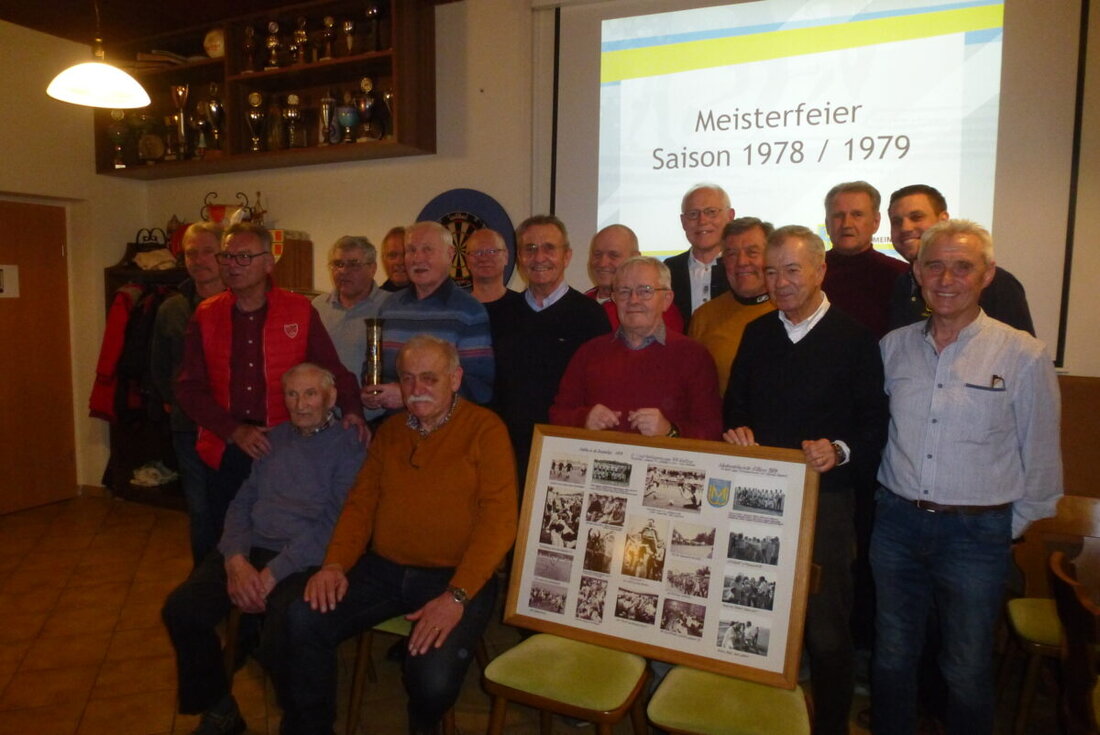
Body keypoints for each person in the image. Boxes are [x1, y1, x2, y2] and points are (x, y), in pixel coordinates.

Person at [871, 220, 1062, 735]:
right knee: (891, 658)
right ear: (917, 273)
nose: (946, 278)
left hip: (977, 536)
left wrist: (1000, 527)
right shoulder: (892, 348)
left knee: (967, 668)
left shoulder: (1023, 354)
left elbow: (1043, 463)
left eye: (962, 267)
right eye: (934, 266)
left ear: (987, 275)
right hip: (896, 527)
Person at [279, 335, 518, 735]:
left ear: (455, 379)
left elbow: (500, 522)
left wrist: (456, 596)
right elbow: (360, 506)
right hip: (384, 570)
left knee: (432, 682)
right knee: (302, 618)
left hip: (456, 577)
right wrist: (334, 564)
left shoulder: (485, 429)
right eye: (407, 378)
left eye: (429, 378)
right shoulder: (390, 432)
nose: (416, 388)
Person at [723, 225, 888, 735]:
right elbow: (735, 406)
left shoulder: (856, 338)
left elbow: (875, 425)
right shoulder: (758, 333)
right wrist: (738, 430)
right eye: (771, 271)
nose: (780, 282)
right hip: (758, 497)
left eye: (792, 270)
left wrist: (838, 451)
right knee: (754, 614)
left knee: (826, 626)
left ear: (820, 270)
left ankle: (831, 725)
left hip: (826, 503)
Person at [162, 363, 365, 735]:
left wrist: (273, 573)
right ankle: (220, 708)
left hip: (304, 557)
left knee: (287, 631)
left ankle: (308, 725)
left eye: (310, 394)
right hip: (250, 547)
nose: (300, 404)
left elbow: (334, 524)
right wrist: (235, 559)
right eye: (292, 394)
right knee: (182, 609)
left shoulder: (348, 446)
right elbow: (242, 503)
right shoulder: (275, 439)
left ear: (331, 396)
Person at [176, 222, 365, 546]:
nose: (232, 265)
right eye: (227, 256)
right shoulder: (205, 315)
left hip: (284, 448)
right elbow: (188, 388)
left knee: (276, 537)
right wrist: (234, 430)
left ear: (268, 263)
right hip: (225, 447)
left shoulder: (299, 310)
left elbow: (332, 370)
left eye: (244, 257)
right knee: (220, 538)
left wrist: (352, 409)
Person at [492, 215, 610, 484]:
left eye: (549, 248)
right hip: (510, 453)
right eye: (530, 248)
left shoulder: (591, 316)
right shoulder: (501, 314)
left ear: (567, 256)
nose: (539, 257)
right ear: (519, 257)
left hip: (570, 453)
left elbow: (600, 390)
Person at [550, 256, 721, 440]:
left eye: (645, 291)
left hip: (662, 458)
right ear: (614, 299)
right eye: (624, 291)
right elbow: (557, 415)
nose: (633, 300)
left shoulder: (694, 357)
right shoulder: (589, 353)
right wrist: (583, 419)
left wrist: (670, 431)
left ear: (667, 299)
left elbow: (711, 430)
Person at [151, 222, 226, 567]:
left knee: (238, 506)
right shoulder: (172, 308)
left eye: (208, 251)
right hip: (189, 427)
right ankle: (204, 582)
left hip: (235, 426)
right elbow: (160, 366)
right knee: (200, 509)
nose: (199, 260)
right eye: (191, 253)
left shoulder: (244, 303)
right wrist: (180, 404)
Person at [362, 221, 494, 414]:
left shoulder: (469, 311)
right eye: (411, 250)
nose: (417, 258)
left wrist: (407, 395)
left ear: (450, 254)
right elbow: (373, 366)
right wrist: (371, 390)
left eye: (427, 249)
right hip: (391, 426)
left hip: (444, 427)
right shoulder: (390, 306)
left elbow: (478, 387)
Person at [886, 184, 1035, 334]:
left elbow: (1017, 345)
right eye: (896, 222)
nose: (905, 228)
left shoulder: (998, 284)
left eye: (916, 217)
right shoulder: (901, 284)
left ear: (943, 219)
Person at [688, 217, 776, 395]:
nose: (741, 262)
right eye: (732, 254)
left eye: (752, 252)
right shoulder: (704, 317)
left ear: (771, 257)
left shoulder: (790, 311)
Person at [821, 181, 908, 339]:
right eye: (838, 215)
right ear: (827, 224)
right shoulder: (808, 274)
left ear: (876, 222)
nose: (846, 224)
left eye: (857, 215)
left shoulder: (901, 275)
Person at [311, 235, 389, 382]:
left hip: (371, 396)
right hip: (325, 396)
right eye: (338, 264)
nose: (343, 271)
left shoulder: (390, 306)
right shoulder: (318, 307)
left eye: (353, 265)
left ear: (372, 268)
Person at [665, 183, 735, 327]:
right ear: (683, 222)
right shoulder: (668, 270)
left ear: (730, 216)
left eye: (711, 212)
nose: (702, 221)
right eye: (693, 214)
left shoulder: (741, 268)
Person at [465, 227, 523, 322]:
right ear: (467, 261)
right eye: (477, 252)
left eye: (492, 251)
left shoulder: (524, 307)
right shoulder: (454, 312)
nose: (484, 258)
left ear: (506, 257)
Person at [585, 224, 639, 303]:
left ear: (635, 258)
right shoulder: (580, 303)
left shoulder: (643, 306)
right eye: (597, 254)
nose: (602, 263)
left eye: (613, 255)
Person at [378, 226, 408, 292]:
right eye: (392, 255)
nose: (399, 262)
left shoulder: (427, 294)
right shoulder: (377, 298)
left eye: (405, 254)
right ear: (383, 260)